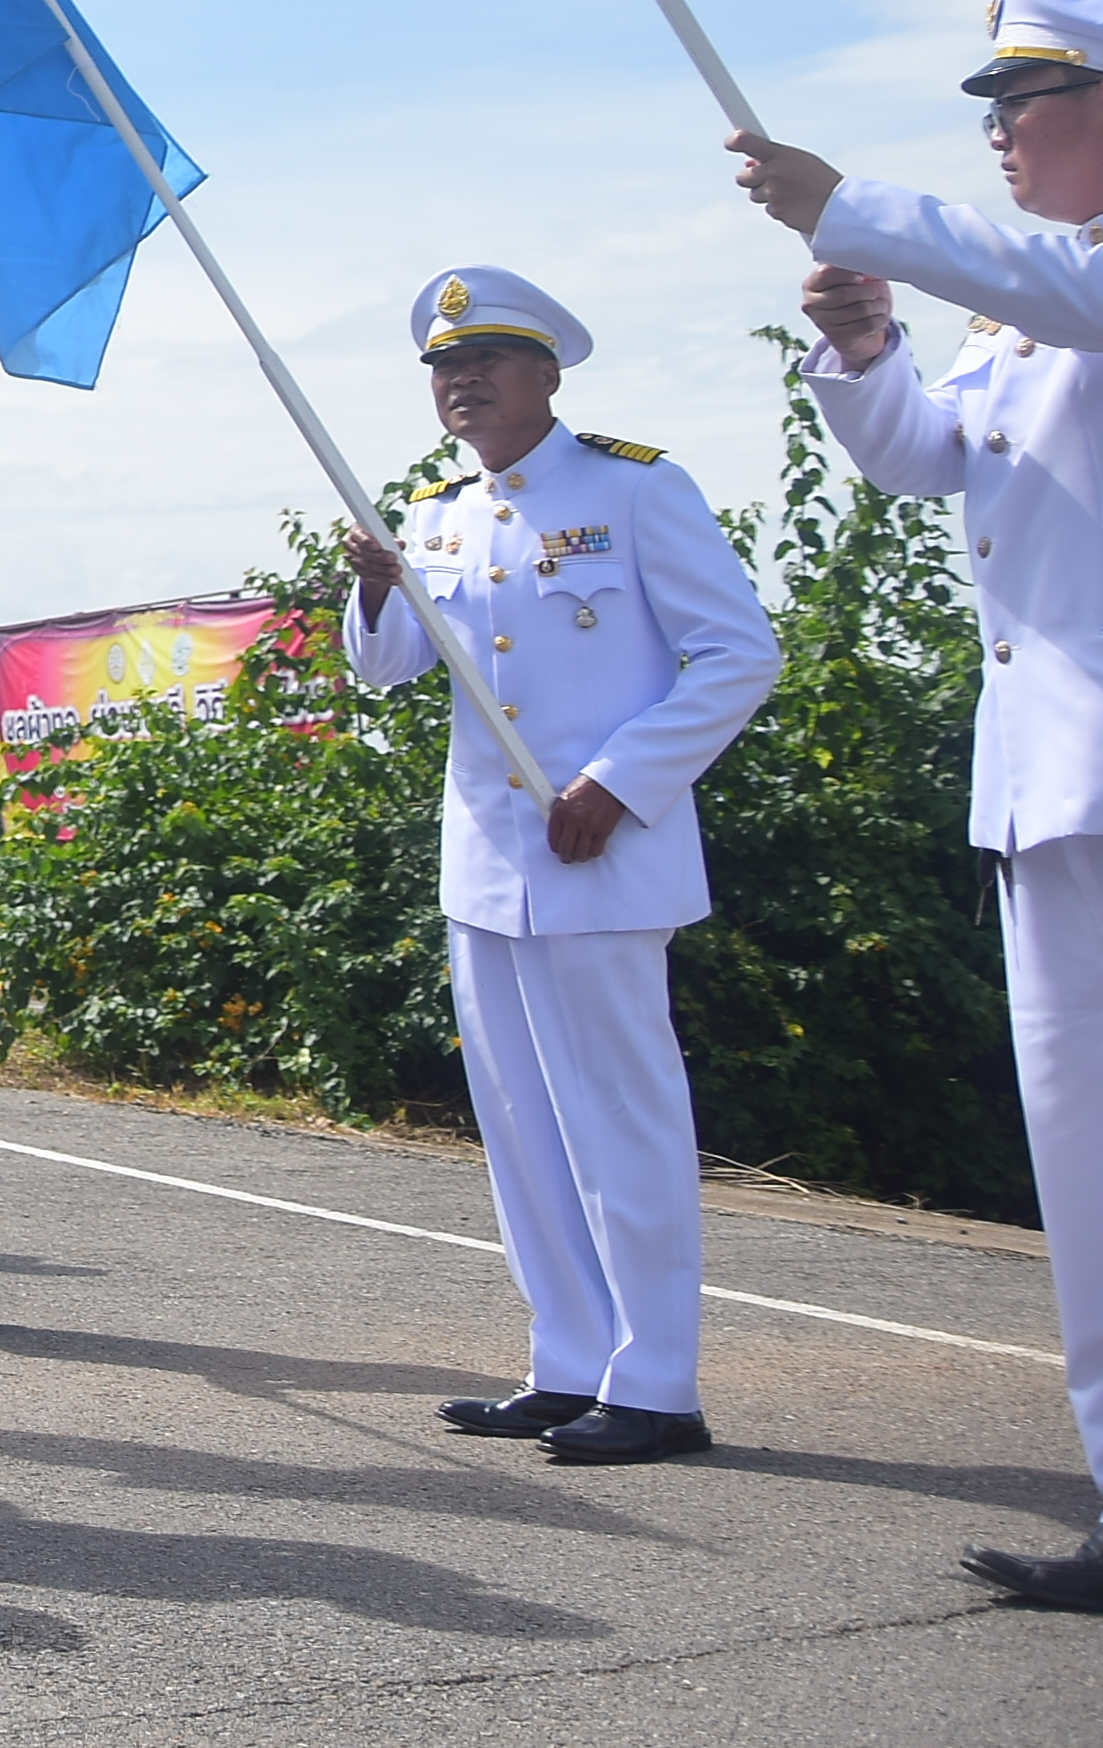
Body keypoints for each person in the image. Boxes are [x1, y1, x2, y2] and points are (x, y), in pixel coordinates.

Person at [733, 0, 1103, 1597]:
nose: (1005, 136)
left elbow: (1030, 277)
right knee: (1079, 1158)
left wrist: (855, 208)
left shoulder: (1062, 287)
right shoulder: (1028, 311)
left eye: (1023, 106)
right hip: (1042, 792)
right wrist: (868, 345)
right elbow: (920, 456)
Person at [336, 267, 775, 1466]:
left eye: (483, 359)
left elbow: (736, 654)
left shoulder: (633, 488)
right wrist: (373, 596)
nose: (458, 379)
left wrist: (621, 781)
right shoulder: (437, 514)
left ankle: (657, 1380)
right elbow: (384, 675)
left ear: (547, 374)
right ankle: (567, 1358)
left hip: (598, 853)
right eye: (440, 365)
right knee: (522, 1125)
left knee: (620, 1117)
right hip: (485, 866)